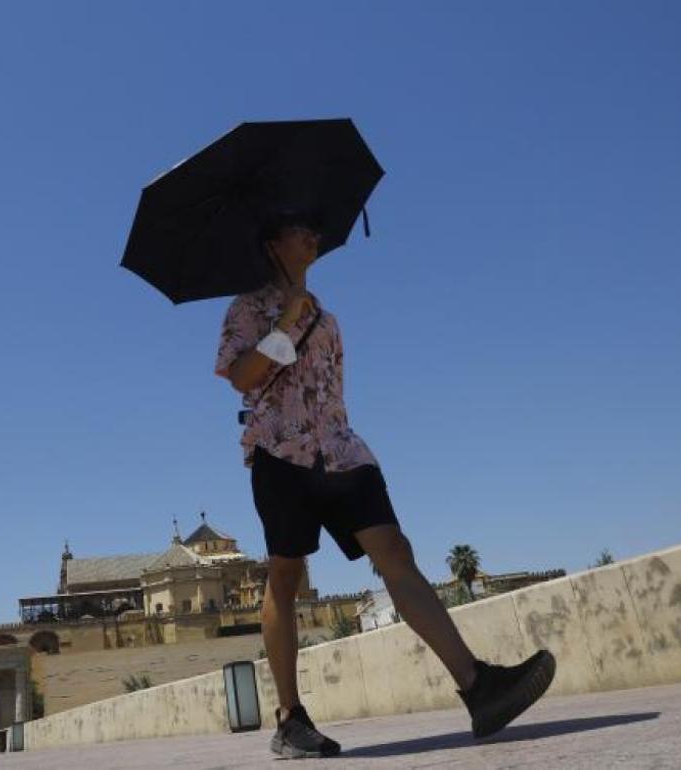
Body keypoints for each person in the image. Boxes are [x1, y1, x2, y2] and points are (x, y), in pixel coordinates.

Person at [214, 210, 557, 758]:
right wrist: (283, 324)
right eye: (301, 229)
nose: (314, 235)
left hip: (342, 452)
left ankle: (478, 687)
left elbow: (329, 388)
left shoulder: (325, 316)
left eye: (313, 227)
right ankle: (290, 718)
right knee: (285, 574)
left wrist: (304, 316)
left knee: (395, 550)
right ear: (274, 242)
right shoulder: (248, 307)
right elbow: (241, 377)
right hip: (281, 453)